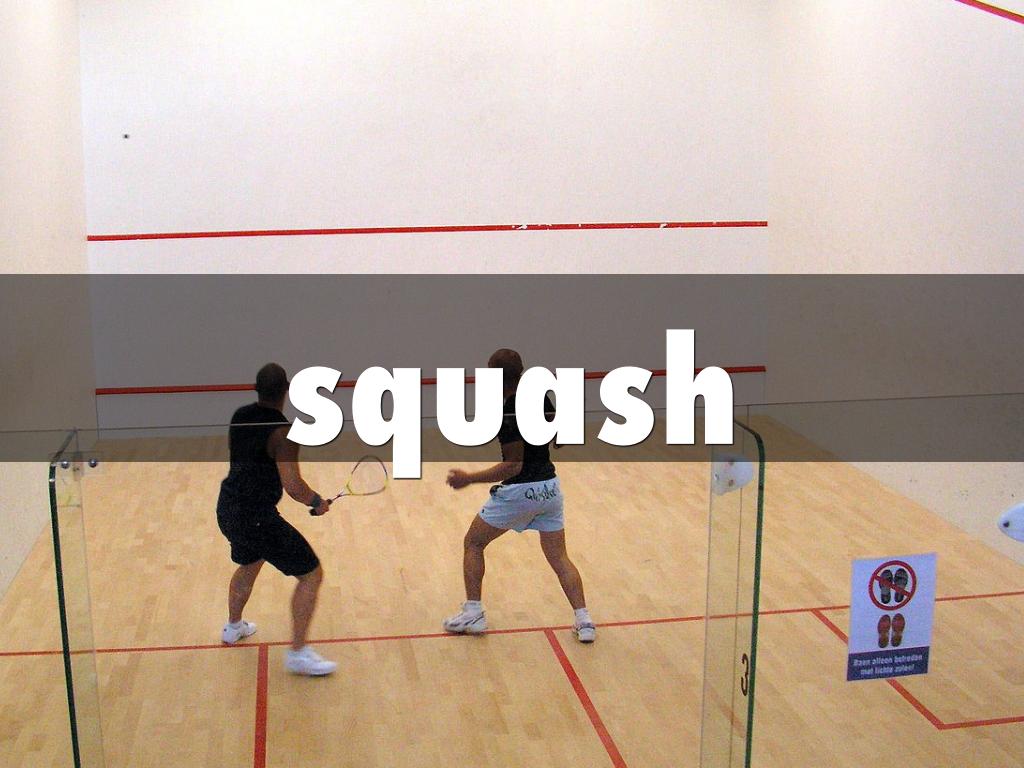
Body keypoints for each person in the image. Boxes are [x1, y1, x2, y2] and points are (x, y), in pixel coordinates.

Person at [443, 348, 596, 643]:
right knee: (559, 557)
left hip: (520, 492)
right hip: (550, 489)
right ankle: (584, 620)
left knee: (473, 542)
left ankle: (473, 613)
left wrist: (468, 479)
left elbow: (513, 466)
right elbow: (561, 439)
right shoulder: (540, 397)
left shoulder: (508, 414)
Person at [215, 362, 337, 675]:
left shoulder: (240, 416)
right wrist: (317, 502)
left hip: (228, 508)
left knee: (251, 561)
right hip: (256, 518)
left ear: (256, 389)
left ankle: (233, 627)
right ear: (287, 390)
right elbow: (293, 486)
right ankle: (298, 654)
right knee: (311, 575)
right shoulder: (283, 433)